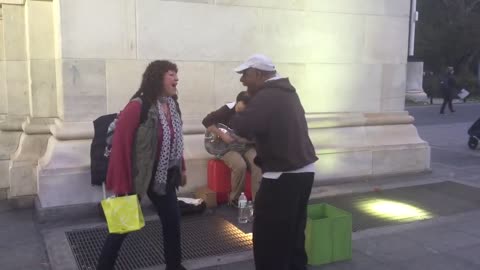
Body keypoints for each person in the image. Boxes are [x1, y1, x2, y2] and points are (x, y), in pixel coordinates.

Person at [97, 60, 187, 270]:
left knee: (172, 221)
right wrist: (122, 182)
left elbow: (175, 140)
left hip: (163, 174)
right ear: (157, 77)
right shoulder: (138, 106)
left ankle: (174, 266)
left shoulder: (172, 105)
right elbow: (121, 146)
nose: (176, 79)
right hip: (136, 174)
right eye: (171, 74)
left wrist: (181, 166)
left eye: (176, 74)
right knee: (121, 228)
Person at [230, 54, 318, 270]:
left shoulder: (267, 95)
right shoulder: (287, 92)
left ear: (259, 74)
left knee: (269, 239)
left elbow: (243, 127)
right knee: (293, 235)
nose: (242, 81)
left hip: (283, 176)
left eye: (245, 75)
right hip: (302, 171)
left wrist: (237, 111)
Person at [202, 91, 262, 205]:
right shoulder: (226, 109)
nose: (241, 111)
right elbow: (206, 121)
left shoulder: (253, 114)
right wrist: (222, 134)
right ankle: (235, 199)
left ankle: (257, 201)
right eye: (240, 107)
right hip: (225, 148)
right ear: (237, 102)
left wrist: (246, 140)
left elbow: (255, 136)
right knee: (240, 165)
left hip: (244, 145)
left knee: (257, 163)